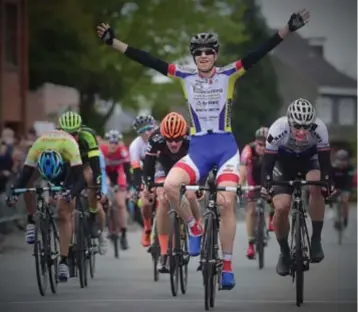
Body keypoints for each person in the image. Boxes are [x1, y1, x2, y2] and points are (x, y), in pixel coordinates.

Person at [97, 9, 310, 290]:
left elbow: (259, 52)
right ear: (194, 56)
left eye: (208, 52)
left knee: (225, 203)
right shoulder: (184, 75)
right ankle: (193, 226)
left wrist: (288, 28)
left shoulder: (229, 73)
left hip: (225, 149)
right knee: (171, 188)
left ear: (216, 54)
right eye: (198, 53)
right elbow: (150, 60)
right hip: (198, 149)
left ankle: (228, 267)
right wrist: (115, 42)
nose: (203, 57)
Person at [261, 98, 334, 277]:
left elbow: (325, 163)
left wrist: (328, 183)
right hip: (283, 165)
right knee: (281, 206)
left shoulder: (320, 129)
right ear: (289, 122)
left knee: (316, 187)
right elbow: (267, 165)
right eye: (297, 127)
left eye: (306, 127)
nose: (301, 131)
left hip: (309, 161)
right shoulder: (277, 129)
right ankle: (284, 252)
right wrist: (266, 185)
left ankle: (316, 238)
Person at [7, 130, 84, 281]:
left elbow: (80, 179)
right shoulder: (36, 148)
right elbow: (23, 175)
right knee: (27, 183)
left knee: (64, 213)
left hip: (67, 169)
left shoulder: (70, 147)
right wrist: (14, 194)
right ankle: (31, 220)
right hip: (41, 157)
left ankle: (63, 260)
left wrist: (70, 193)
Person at [143, 112, 201, 272]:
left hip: (187, 167)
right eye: (169, 140)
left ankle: (197, 229)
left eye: (177, 139)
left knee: (190, 195)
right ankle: (164, 253)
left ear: (184, 135)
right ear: (163, 136)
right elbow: (148, 165)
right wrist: (149, 186)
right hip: (164, 168)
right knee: (162, 200)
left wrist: (199, 187)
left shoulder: (192, 138)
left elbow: (201, 163)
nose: (174, 143)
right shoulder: (155, 138)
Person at [58, 111, 107, 254]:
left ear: (80, 130)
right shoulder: (56, 139)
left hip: (85, 163)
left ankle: (92, 215)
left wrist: (97, 187)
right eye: (67, 134)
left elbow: (96, 166)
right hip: (68, 164)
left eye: (74, 134)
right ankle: (69, 244)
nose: (72, 138)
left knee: (90, 177)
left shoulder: (88, 136)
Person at [240, 127, 273, 260]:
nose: (262, 148)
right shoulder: (248, 150)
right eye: (260, 145)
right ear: (255, 142)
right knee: (252, 210)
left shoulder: (273, 150)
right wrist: (241, 186)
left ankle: (271, 217)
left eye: (265, 145)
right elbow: (242, 170)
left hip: (267, 177)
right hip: (252, 179)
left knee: (277, 194)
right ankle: (251, 243)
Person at [101, 129, 132, 249]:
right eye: (111, 142)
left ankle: (123, 233)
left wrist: (127, 187)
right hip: (107, 175)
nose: (114, 145)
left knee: (120, 204)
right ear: (107, 142)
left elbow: (127, 170)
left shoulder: (123, 151)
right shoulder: (102, 151)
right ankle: (109, 227)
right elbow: (100, 170)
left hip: (119, 174)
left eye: (116, 142)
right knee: (105, 201)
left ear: (120, 143)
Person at [128, 115, 156, 247]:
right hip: (145, 172)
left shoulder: (160, 138)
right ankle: (147, 227)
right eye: (142, 130)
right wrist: (139, 188)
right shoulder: (135, 145)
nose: (146, 132)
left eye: (149, 129)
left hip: (161, 168)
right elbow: (136, 170)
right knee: (143, 201)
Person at [331, 149, 355, 230]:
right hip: (336, 187)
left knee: (345, 200)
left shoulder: (350, 168)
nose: (342, 163)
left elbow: (350, 181)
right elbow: (330, 179)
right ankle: (336, 217)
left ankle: (345, 218)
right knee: (333, 198)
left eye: (344, 161)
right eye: (340, 160)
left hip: (346, 187)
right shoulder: (333, 168)